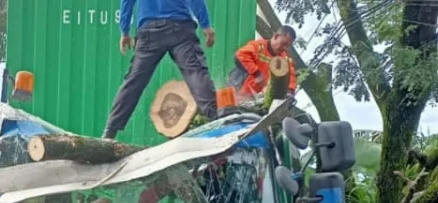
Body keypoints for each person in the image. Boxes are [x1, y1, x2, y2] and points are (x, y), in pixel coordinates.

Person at [103, 0, 218, 140]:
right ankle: (217, 119)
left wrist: (124, 31)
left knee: (134, 81)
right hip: (180, 27)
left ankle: (110, 131)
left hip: (149, 31)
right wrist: (206, 25)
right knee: (196, 72)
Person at [227, 26, 298, 102]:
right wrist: (257, 74)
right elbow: (240, 55)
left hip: (254, 98)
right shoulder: (259, 46)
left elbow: (291, 75)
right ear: (276, 36)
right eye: (284, 43)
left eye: (288, 46)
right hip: (237, 88)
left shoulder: (284, 58)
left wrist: (290, 91)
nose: (284, 48)